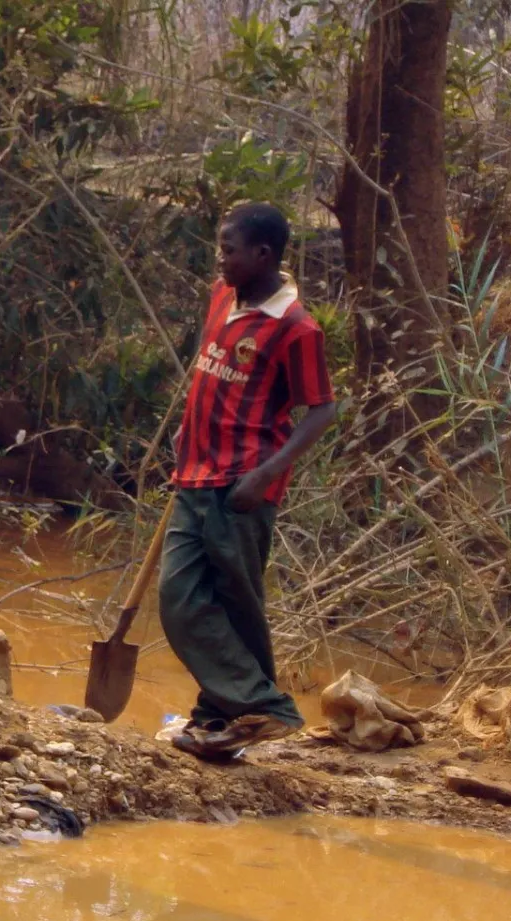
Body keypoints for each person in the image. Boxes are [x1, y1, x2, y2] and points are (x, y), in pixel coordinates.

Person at [161, 202, 337, 759]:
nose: (221, 257)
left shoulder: (296, 327)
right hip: (195, 472)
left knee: (234, 601)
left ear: (263, 254)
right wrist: (185, 431)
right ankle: (237, 710)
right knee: (182, 597)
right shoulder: (223, 295)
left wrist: (265, 473)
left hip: (240, 485)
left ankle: (250, 714)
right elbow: (208, 371)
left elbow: (320, 411)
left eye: (229, 248)